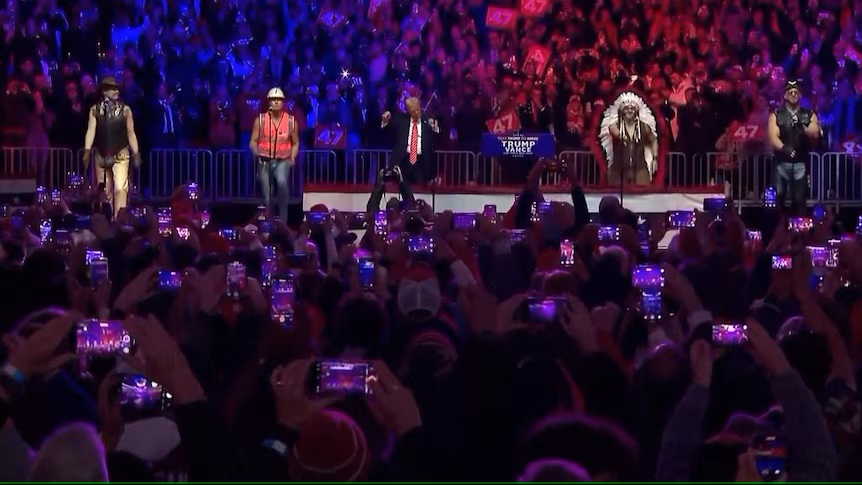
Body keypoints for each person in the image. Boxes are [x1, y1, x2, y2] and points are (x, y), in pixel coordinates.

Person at [82, 77, 142, 216]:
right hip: (101, 155)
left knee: (120, 188)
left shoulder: (126, 110)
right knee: (104, 190)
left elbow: (131, 133)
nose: (116, 91)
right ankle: (107, 219)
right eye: (112, 89)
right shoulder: (94, 110)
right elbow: (91, 130)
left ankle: (119, 218)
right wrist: (86, 151)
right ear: (104, 91)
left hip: (120, 153)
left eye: (117, 89)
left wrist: (136, 153)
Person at [767, 80, 820, 215]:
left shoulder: (809, 114)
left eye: (796, 92)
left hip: (801, 162)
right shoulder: (776, 114)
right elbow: (773, 137)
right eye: (790, 92)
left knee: (799, 198)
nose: (793, 94)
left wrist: (802, 124)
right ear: (784, 96)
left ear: (801, 95)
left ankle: (800, 231)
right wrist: (784, 148)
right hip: (781, 162)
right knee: (778, 196)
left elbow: (815, 132)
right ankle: (778, 229)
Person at [249, 87, 299, 222]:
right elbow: (253, 141)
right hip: (264, 160)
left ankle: (283, 221)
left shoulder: (290, 121)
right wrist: (256, 152)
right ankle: (268, 222)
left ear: (283, 102)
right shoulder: (260, 120)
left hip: (283, 160)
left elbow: (295, 143)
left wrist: (292, 157)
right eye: (273, 99)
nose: (276, 102)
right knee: (267, 194)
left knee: (282, 184)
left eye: (279, 100)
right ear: (269, 102)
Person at [598, 91, 659, 187]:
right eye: (626, 108)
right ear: (622, 111)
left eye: (632, 108)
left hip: (640, 168)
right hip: (618, 170)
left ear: (636, 111)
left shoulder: (644, 127)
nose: (629, 110)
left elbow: (653, 139)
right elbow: (613, 130)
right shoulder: (615, 125)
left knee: (643, 195)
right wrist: (620, 136)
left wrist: (655, 158)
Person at [380, 97, 440, 190]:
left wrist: (435, 129)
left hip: (421, 161)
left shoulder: (428, 120)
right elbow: (387, 133)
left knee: (420, 189)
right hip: (404, 160)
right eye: (413, 110)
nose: (416, 112)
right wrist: (385, 121)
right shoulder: (401, 120)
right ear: (408, 111)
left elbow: (438, 139)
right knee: (403, 188)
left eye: (417, 109)